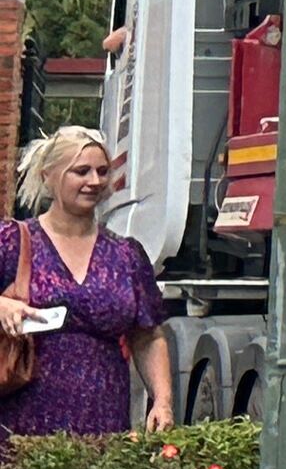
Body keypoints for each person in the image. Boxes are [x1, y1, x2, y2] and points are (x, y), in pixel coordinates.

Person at [0, 125, 173, 434]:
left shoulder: (126, 254)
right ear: (48, 176)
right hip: (21, 424)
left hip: (104, 420)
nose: (95, 181)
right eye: (81, 171)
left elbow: (147, 335)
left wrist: (162, 401)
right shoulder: (13, 241)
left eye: (102, 171)